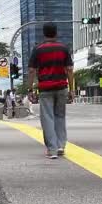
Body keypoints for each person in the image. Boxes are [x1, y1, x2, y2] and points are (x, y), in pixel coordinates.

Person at [27, 22, 74, 159]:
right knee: (60, 116)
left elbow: (31, 70)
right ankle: (60, 146)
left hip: (45, 88)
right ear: (56, 33)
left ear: (44, 33)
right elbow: (69, 69)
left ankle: (52, 150)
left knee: (47, 118)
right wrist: (72, 89)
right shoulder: (63, 48)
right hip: (61, 87)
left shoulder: (38, 49)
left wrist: (30, 89)